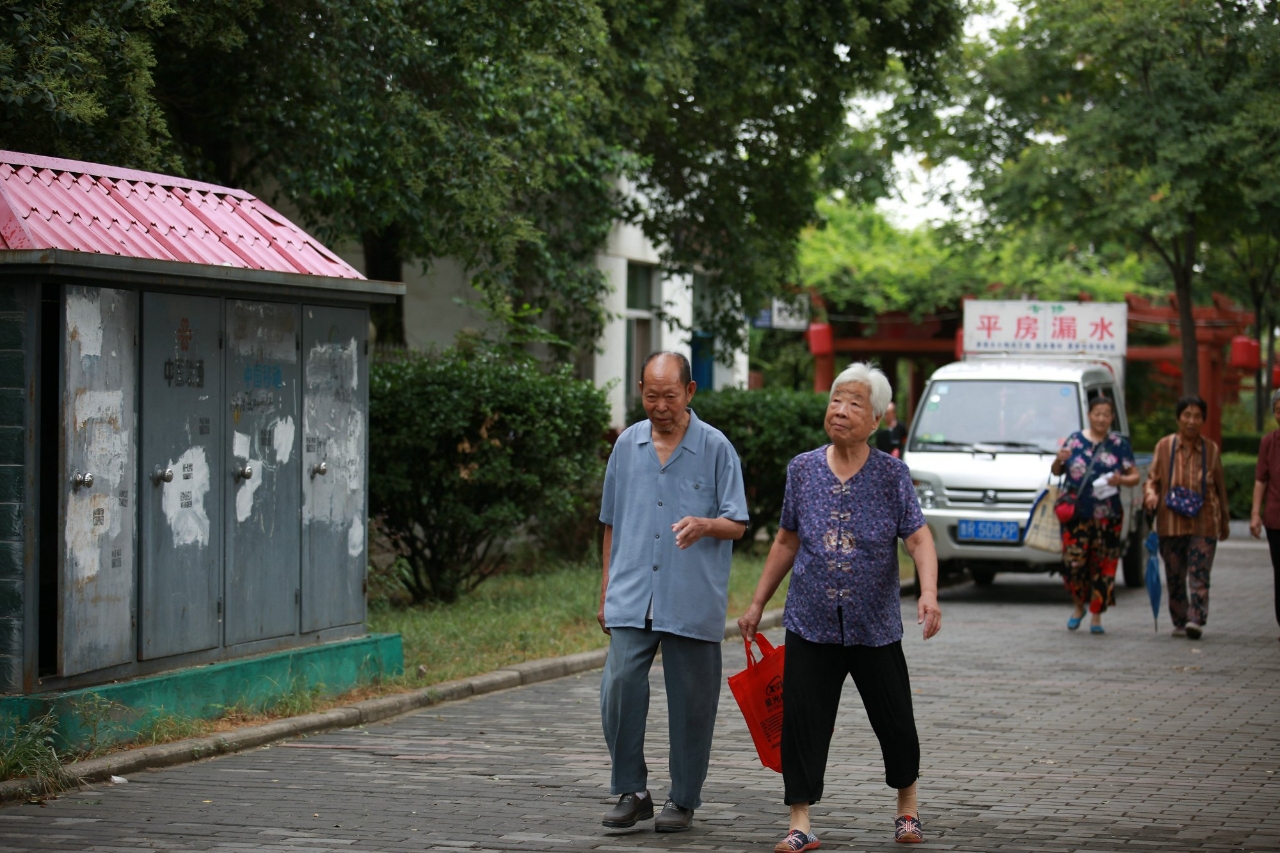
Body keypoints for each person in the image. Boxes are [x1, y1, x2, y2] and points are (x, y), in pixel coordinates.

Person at [737, 362, 942, 850]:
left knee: (895, 718)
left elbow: (918, 539)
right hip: (811, 621)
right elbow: (786, 540)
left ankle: (907, 808)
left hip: (874, 624)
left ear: (876, 419)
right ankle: (800, 821)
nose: (841, 410)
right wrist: (757, 603)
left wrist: (929, 593)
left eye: (854, 403)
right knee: (802, 721)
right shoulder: (803, 469)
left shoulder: (892, 475)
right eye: (836, 400)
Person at [597, 351, 749, 833]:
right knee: (619, 687)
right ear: (640, 391)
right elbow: (611, 521)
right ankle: (632, 790)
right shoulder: (627, 444)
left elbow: (738, 523)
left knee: (692, 703)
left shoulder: (716, 447)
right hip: (632, 591)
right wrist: (605, 589)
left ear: (690, 391)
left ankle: (682, 798)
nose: (660, 406)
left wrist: (706, 524)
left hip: (691, 595)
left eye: (669, 396)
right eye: (651, 396)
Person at [1050, 397, 1140, 634]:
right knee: (1074, 563)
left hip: (1108, 516)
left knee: (1104, 566)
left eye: (1106, 414)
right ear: (1089, 415)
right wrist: (1058, 459)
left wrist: (1121, 480)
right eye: (1097, 413)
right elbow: (1057, 471)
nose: (1101, 418)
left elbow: (1135, 476)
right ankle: (1078, 606)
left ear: (1112, 418)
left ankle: (1097, 616)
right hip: (1076, 516)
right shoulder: (1075, 440)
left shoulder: (1119, 445)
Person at [1143, 395, 1230, 640]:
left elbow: (1220, 488)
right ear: (1178, 418)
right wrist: (1150, 495)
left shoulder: (1211, 449)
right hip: (1170, 523)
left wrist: (1224, 520)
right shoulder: (1164, 446)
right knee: (1174, 574)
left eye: (1197, 417)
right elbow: (1152, 480)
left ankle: (1196, 618)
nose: (1192, 421)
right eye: (1187, 415)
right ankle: (1180, 619)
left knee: (1199, 573)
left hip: (1204, 522)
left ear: (1203, 420)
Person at [1249, 389, 1280, 639]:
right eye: (1278, 410)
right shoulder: (1269, 442)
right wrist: (1255, 514)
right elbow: (1261, 480)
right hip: (1276, 518)